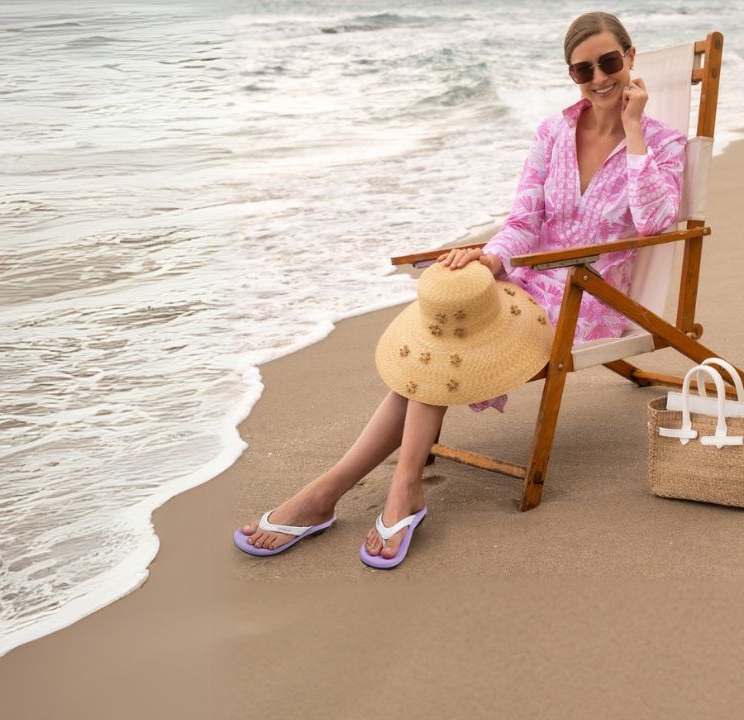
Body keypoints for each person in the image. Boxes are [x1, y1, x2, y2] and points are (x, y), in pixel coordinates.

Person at [234, 11, 686, 568]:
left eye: (609, 62)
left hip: (590, 299)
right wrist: (492, 258)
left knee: (451, 336)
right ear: (572, 75)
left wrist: (634, 128)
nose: (599, 78)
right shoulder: (552, 133)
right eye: (582, 70)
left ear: (630, 57)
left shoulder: (663, 142)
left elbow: (654, 222)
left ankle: (349, 493)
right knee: (448, 316)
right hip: (526, 281)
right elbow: (522, 221)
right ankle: (370, 492)